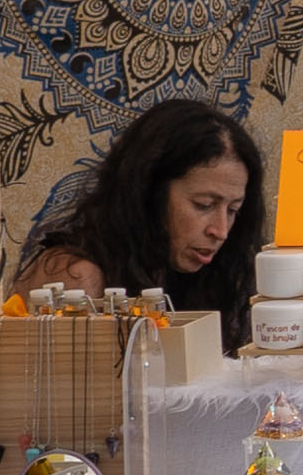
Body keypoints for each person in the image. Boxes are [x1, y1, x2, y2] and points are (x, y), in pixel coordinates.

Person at [18, 94, 267, 340]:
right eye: (204, 205)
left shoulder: (184, 273)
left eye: (233, 210)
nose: (221, 231)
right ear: (148, 192)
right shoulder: (76, 276)